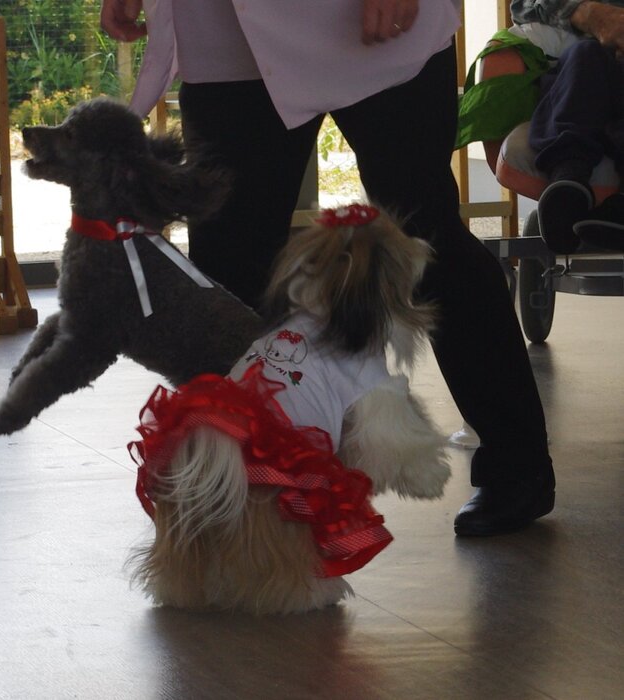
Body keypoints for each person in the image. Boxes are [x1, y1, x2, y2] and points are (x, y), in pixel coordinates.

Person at [100, 0, 555, 537]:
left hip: (372, 21)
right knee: (227, 267)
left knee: (421, 239)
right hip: (225, 31)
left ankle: (517, 466)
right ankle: (235, 491)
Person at [510, 0, 624, 252]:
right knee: (584, 57)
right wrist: (590, 14)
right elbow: (524, 6)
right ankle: (567, 185)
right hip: (588, 66)